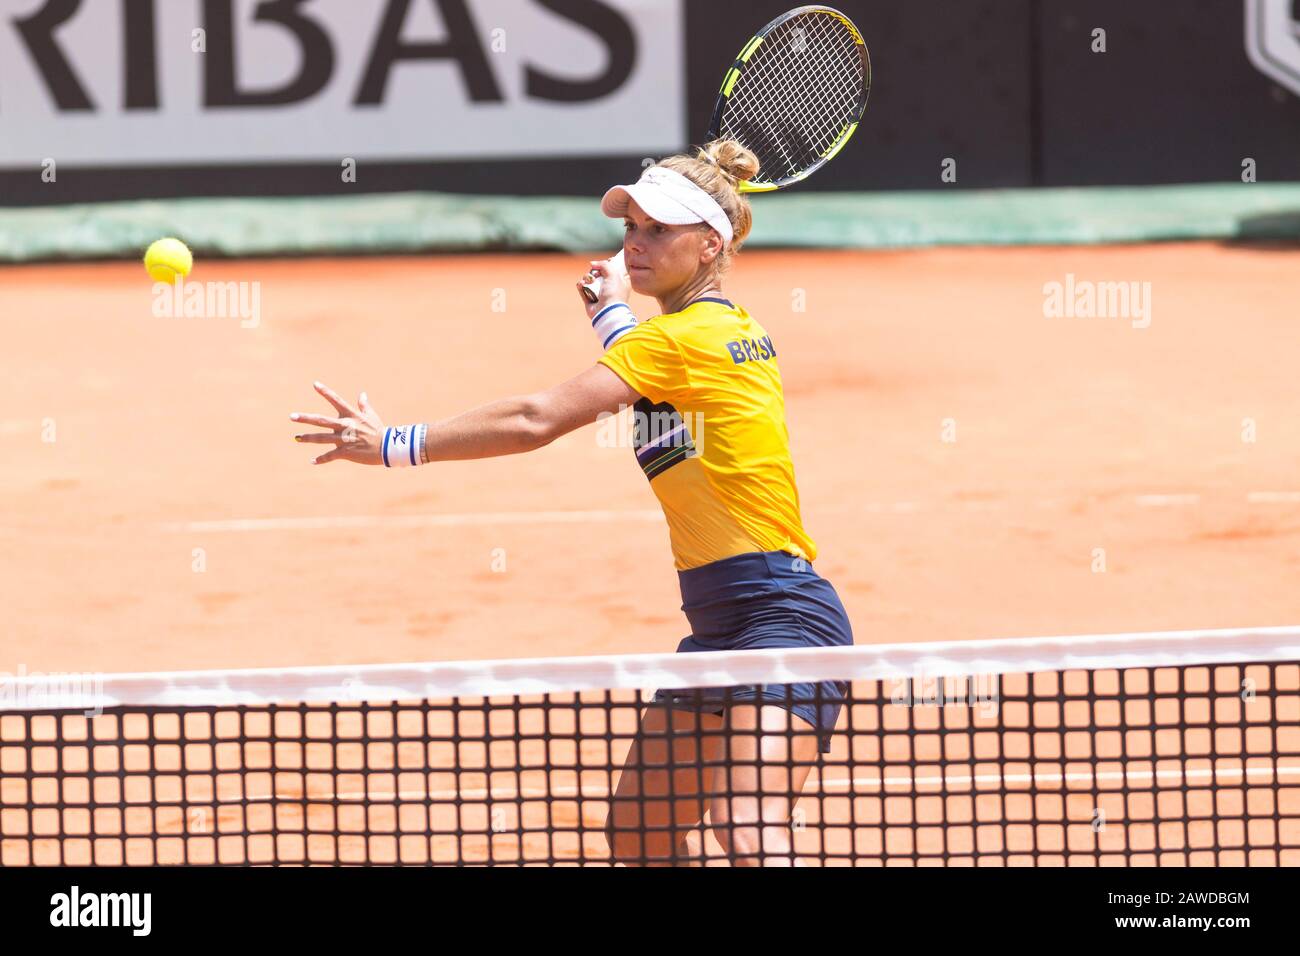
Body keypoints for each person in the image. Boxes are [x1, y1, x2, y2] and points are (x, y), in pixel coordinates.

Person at [290, 139, 854, 866]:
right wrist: (610, 315)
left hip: (783, 616)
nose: (636, 243)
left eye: (659, 230)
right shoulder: (720, 330)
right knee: (641, 835)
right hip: (720, 626)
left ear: (710, 243)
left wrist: (396, 442)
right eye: (632, 228)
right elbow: (657, 386)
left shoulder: (678, 342)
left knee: (746, 824)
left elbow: (537, 417)